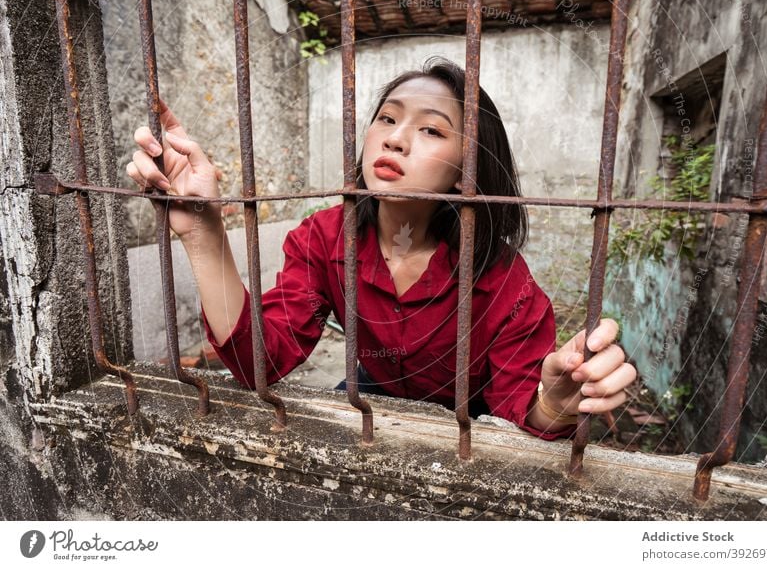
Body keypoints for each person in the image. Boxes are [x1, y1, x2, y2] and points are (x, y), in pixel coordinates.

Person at [126, 57, 637, 440]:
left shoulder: (503, 278)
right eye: (387, 119)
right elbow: (262, 361)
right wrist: (203, 232)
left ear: (470, 168)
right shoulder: (324, 237)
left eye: (432, 129)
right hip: (370, 393)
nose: (396, 140)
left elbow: (525, 413)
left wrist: (557, 403)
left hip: (472, 412)